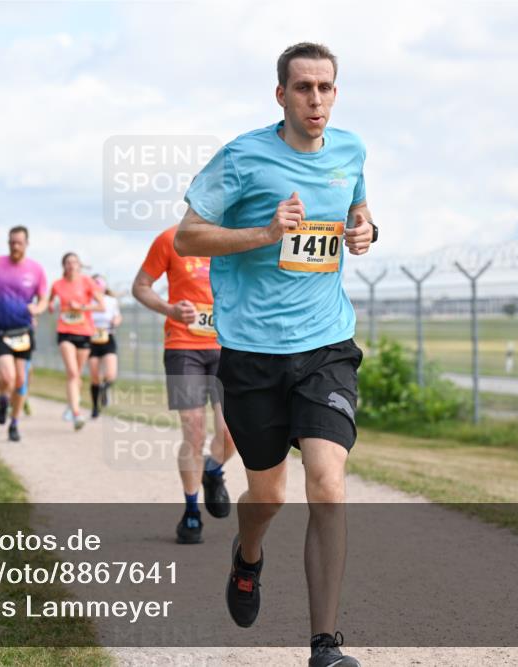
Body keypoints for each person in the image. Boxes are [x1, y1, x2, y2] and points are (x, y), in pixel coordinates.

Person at [174, 42, 376, 667]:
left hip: (325, 348)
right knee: (269, 497)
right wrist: (265, 233)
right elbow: (187, 235)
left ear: (335, 93)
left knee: (329, 483)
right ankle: (248, 556)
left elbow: (359, 211)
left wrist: (366, 230)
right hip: (254, 352)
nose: (316, 99)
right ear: (281, 94)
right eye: (304, 88)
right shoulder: (243, 156)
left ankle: (325, 644)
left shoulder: (351, 151)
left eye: (326, 87)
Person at [133, 226, 236, 545]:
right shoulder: (170, 239)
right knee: (193, 429)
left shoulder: (236, 237)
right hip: (182, 346)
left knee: (233, 432)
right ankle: (191, 511)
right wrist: (170, 309)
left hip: (228, 346)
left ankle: (213, 470)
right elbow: (141, 287)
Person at [0, 226, 48, 442]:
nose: (14, 246)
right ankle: (2, 400)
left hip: (23, 331)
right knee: (7, 376)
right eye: (11, 242)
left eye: (18, 242)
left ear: (27, 243)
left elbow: (44, 298)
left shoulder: (36, 269)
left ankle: (14, 423)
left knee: (21, 381)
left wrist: (38, 309)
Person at [48, 252, 104, 431]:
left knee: (77, 374)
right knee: (72, 372)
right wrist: (50, 306)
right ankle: (77, 414)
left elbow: (101, 305)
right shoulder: (57, 284)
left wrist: (82, 307)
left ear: (79, 265)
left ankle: (72, 404)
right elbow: (50, 301)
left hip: (84, 333)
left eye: (74, 262)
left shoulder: (87, 282)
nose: (71, 265)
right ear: (63, 266)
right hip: (65, 332)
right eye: (68, 262)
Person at [88, 274, 121, 418]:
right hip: (91, 339)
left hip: (108, 337)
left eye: (99, 283)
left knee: (110, 374)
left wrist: (116, 321)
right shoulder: (87, 300)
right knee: (95, 376)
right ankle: (95, 408)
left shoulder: (111, 301)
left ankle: (104, 389)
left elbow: (118, 316)